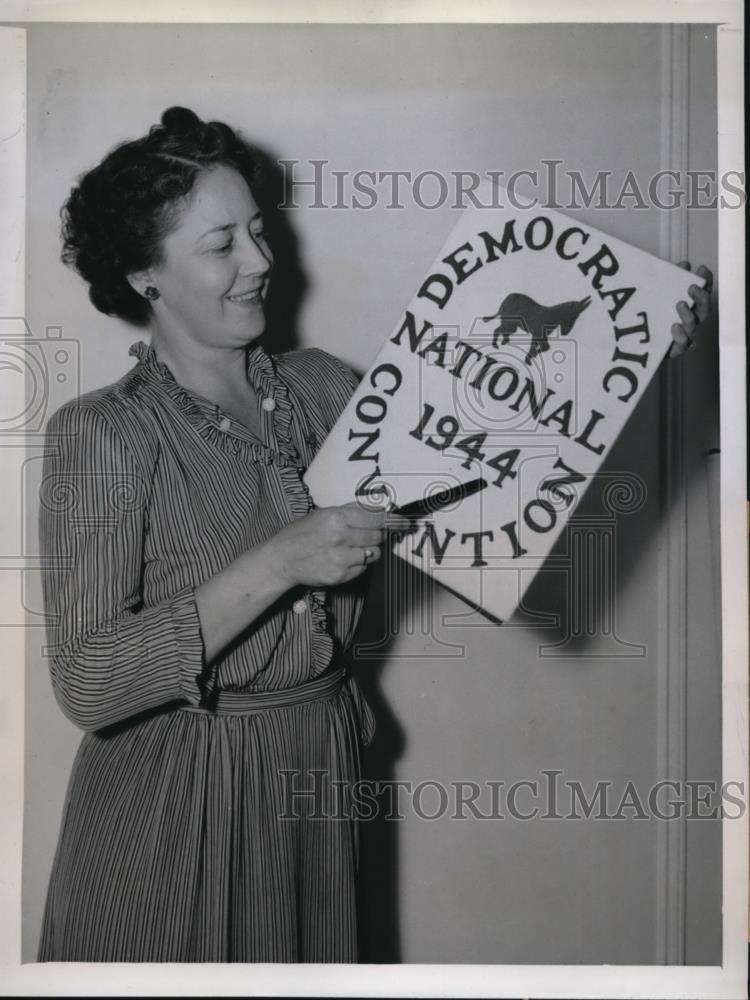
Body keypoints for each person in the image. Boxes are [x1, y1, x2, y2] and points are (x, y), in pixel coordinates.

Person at [36, 106, 713, 964]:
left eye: (259, 230)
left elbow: (496, 456)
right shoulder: (102, 432)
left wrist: (630, 337)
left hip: (316, 771)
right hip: (176, 801)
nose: (261, 261)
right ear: (144, 274)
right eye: (221, 245)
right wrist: (281, 560)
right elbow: (88, 683)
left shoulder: (325, 389)